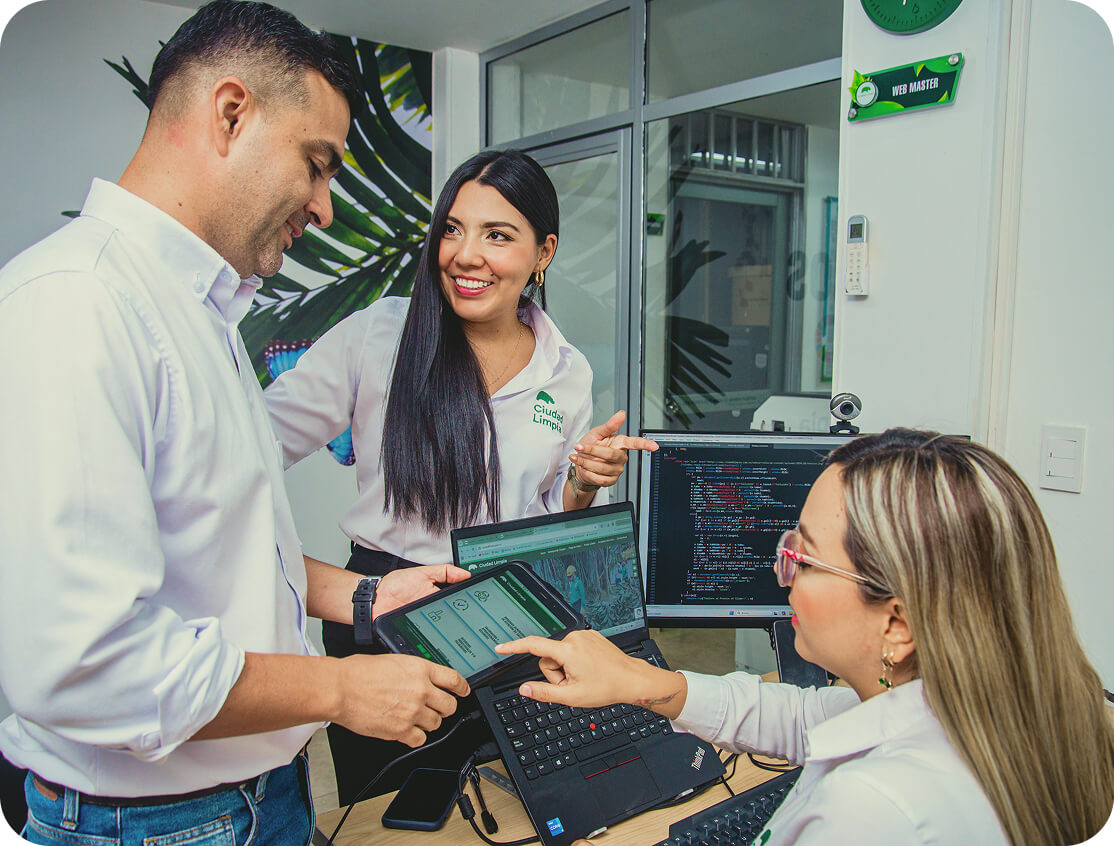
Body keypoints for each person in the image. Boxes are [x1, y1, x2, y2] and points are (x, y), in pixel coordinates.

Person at [0, 3, 475, 844]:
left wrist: (367, 594)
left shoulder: (200, 310)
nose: (326, 207)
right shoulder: (77, 305)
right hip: (153, 822)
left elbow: (217, 539)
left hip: (255, 793)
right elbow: (85, 664)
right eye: (316, 163)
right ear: (230, 113)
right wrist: (338, 690)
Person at [496, 429, 1114, 845]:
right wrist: (642, 683)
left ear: (897, 623)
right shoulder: (1013, 707)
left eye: (804, 557)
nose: (781, 569)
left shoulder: (870, 809)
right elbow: (802, 715)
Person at [263, 148, 658, 798]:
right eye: (453, 228)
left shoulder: (566, 370)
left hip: (515, 608)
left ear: (543, 253)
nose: (465, 254)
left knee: (513, 799)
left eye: (497, 235)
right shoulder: (379, 337)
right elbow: (244, 453)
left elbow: (553, 508)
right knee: (395, 816)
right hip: (389, 607)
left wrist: (585, 479)